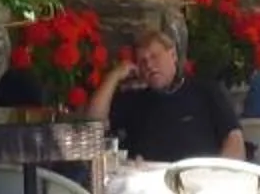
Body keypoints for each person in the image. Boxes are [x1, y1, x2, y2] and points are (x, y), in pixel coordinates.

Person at [85, 22, 242, 161]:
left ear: (173, 55)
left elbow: (234, 139)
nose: (149, 65)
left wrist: (219, 176)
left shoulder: (206, 91)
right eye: (143, 61)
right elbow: (94, 123)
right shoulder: (135, 100)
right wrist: (114, 76)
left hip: (198, 182)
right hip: (146, 183)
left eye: (155, 57)